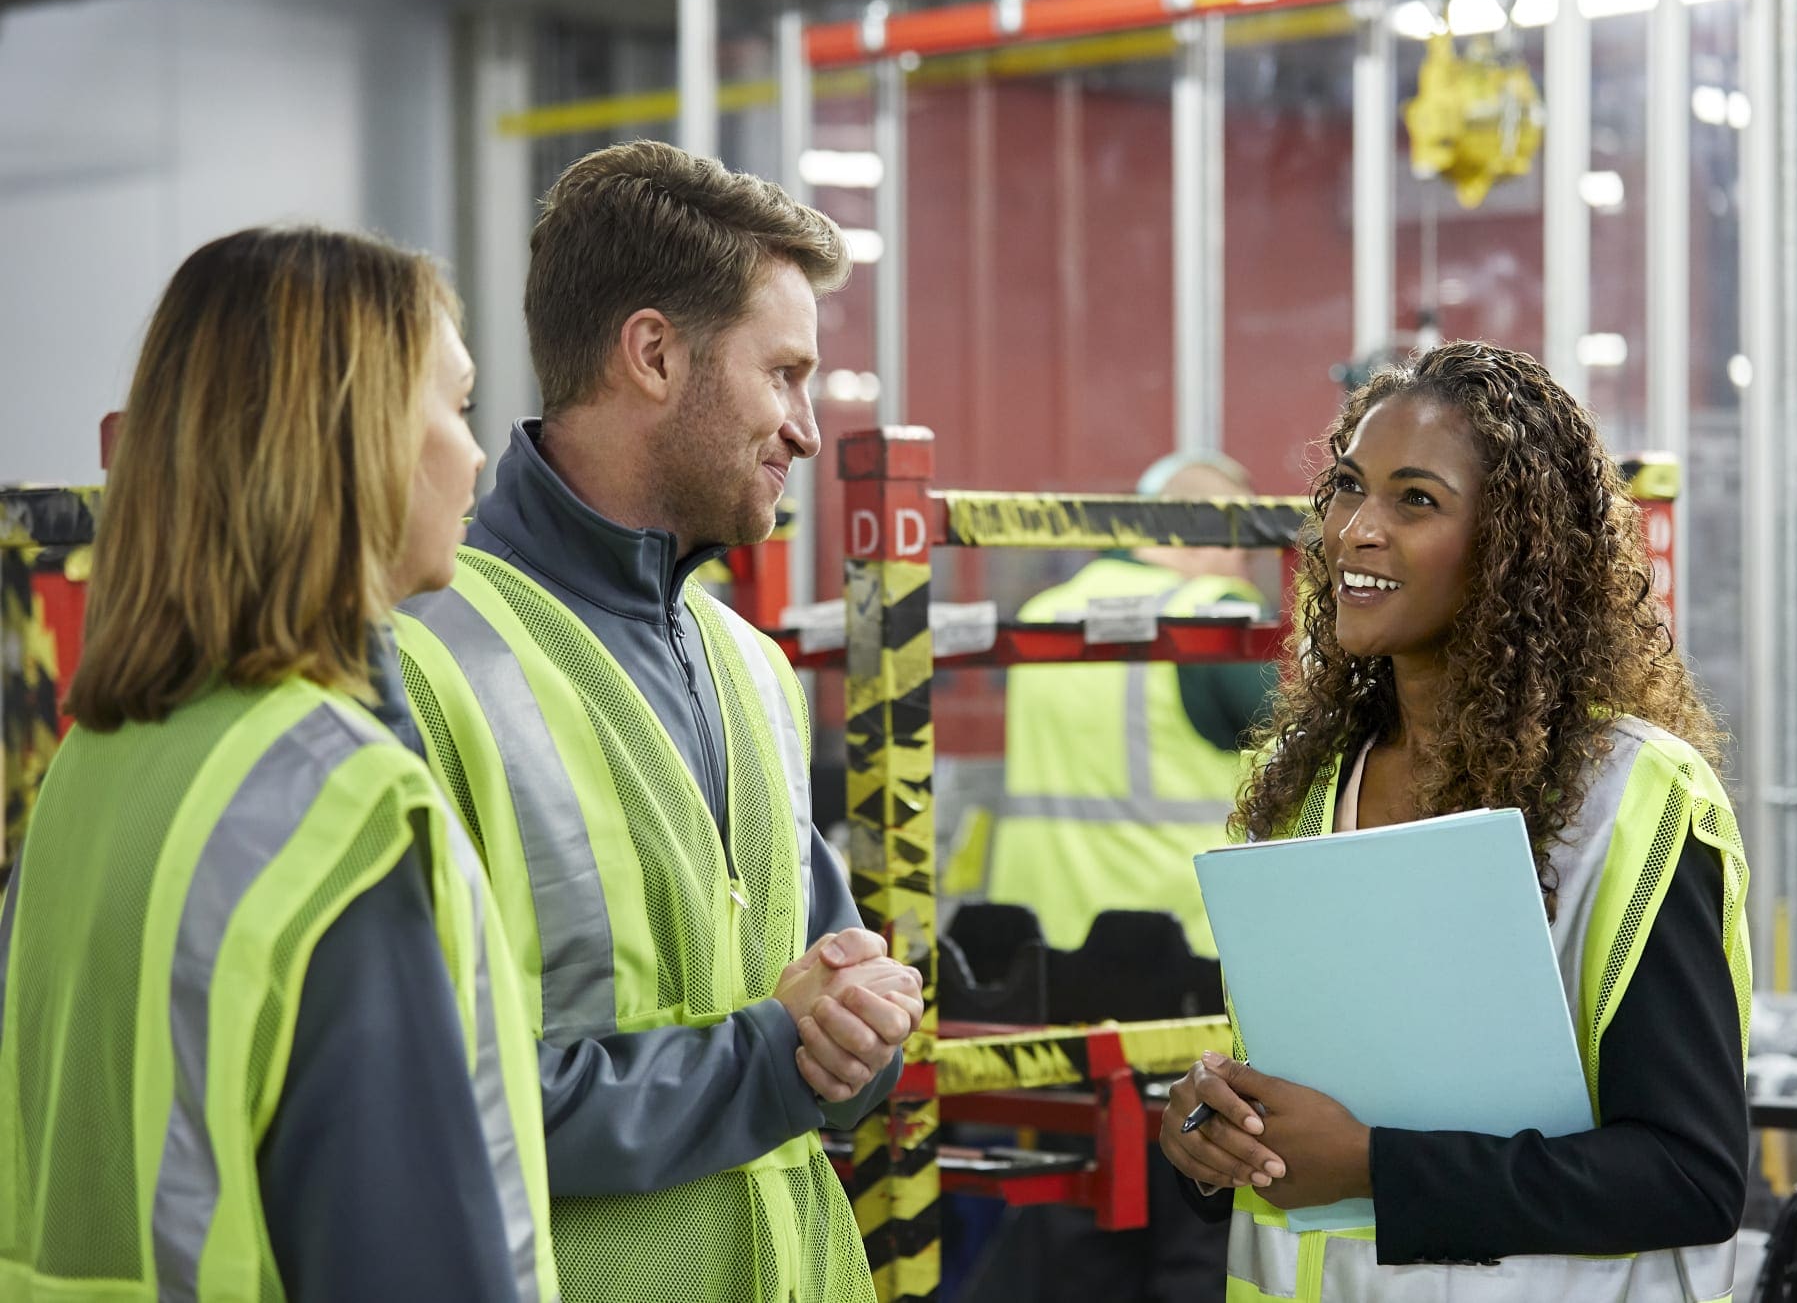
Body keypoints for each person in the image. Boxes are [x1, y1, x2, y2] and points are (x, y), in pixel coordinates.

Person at [393, 141, 918, 1302]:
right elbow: (429, 1100)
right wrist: (777, 1057)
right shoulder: (417, 660)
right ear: (652, 354)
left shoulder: (752, 667)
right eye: (782, 375)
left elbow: (823, 1015)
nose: (805, 428)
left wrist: (863, 1018)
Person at [0, 227, 558, 1300]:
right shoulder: (337, 806)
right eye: (456, 405)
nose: (478, 454)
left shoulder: (96, 764)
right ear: (355, 440)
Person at [1159, 341, 1751, 1302]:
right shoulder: (1303, 788)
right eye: (1348, 488)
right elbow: (1291, 1112)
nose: (1355, 530)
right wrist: (1208, 1133)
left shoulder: (1632, 801)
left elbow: (1691, 1176)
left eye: (1415, 500)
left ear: (1515, 547)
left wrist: (1376, 1166)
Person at [987, 450, 1275, 959]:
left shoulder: (1045, 612)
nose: (1243, 566)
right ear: (1215, 531)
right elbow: (1307, 734)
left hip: (1039, 935)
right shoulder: (1211, 610)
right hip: (1177, 939)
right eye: (1245, 548)